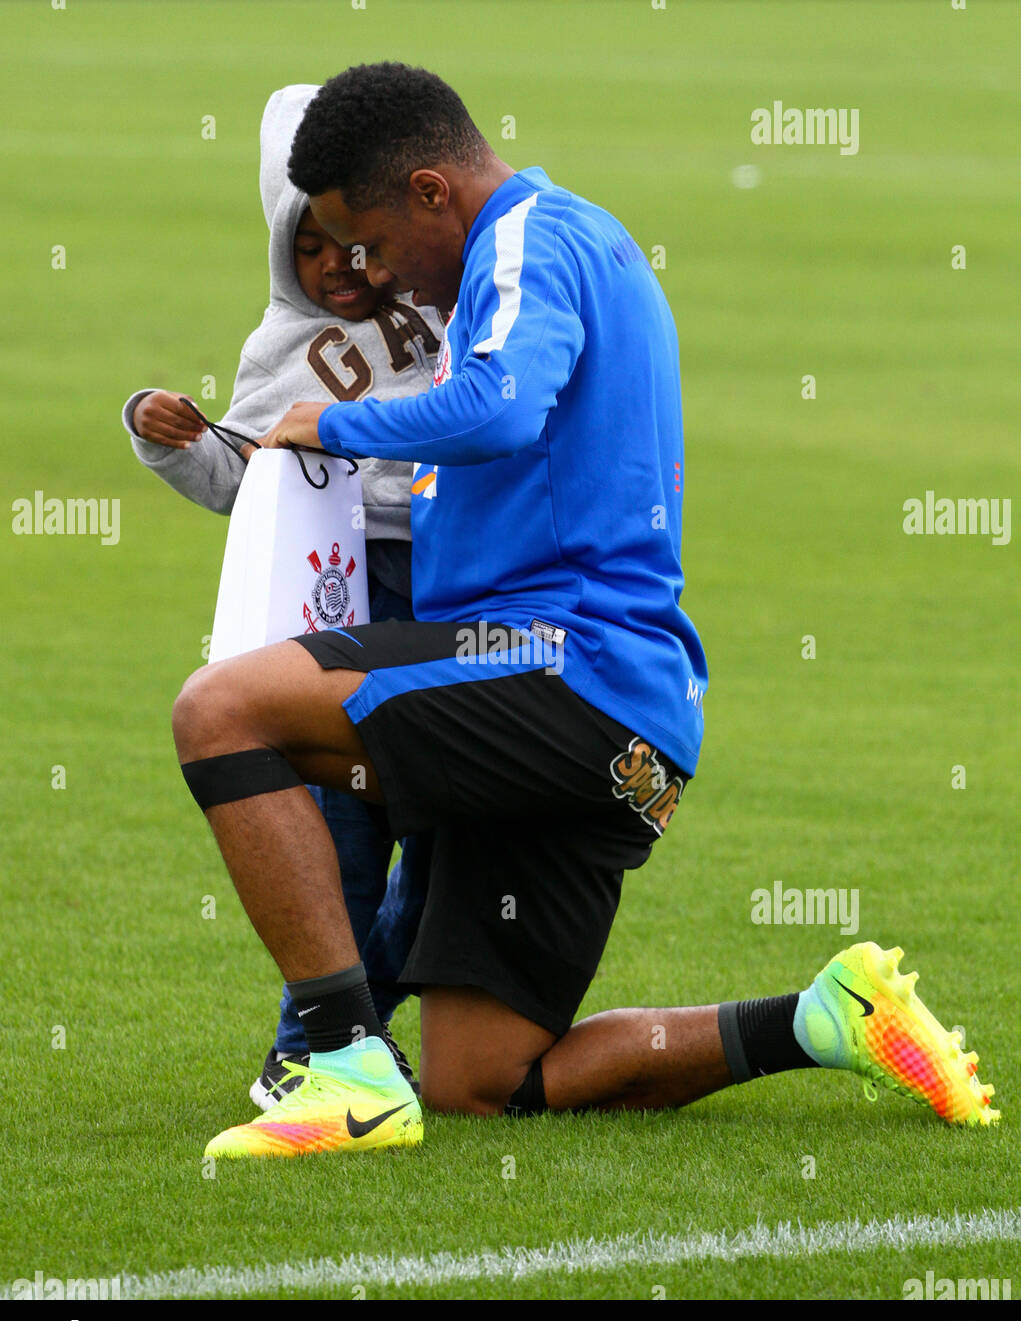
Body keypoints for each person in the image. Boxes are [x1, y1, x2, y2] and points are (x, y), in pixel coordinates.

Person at [170, 63, 998, 1158]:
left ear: (430, 190)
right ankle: (824, 1016)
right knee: (485, 1080)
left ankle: (338, 1060)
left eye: (366, 238)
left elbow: (504, 406)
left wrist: (338, 425)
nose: (366, 271)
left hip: (560, 669)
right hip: (630, 741)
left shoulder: (527, 238)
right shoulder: (567, 253)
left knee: (222, 711)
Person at [122, 85, 445, 1109]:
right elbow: (243, 480)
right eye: (311, 249)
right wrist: (161, 432)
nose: (340, 270)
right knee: (343, 835)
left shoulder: (455, 308)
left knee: (445, 843)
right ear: (281, 242)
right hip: (336, 607)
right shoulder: (278, 352)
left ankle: (362, 1021)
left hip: (450, 591)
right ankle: (309, 1043)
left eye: (356, 246)